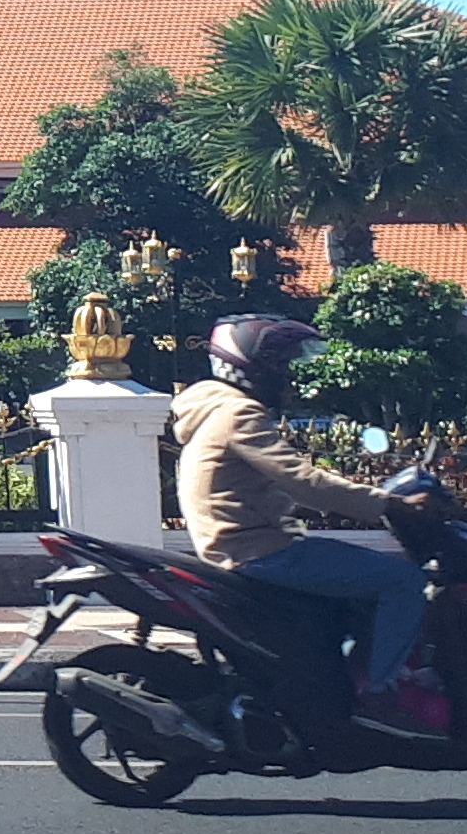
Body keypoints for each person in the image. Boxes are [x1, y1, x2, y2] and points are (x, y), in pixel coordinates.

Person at [172, 312, 442, 735]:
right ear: (252, 368)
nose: (289, 376)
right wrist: (390, 505)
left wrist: (359, 495)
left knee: (361, 591)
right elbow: (304, 482)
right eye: (281, 365)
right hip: (259, 553)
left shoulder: (215, 411)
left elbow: (285, 484)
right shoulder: (238, 415)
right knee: (402, 581)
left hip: (248, 545)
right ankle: (378, 693)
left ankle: (356, 676)